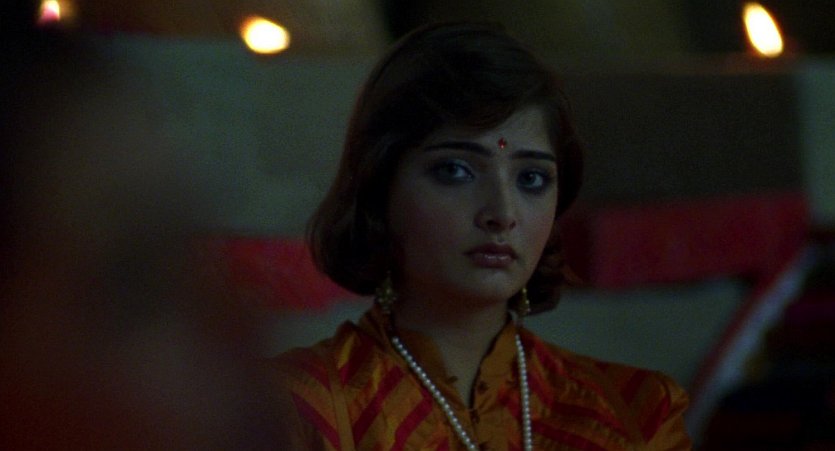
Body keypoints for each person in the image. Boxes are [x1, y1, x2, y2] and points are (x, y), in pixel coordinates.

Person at [267, 22, 692, 450]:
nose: (502, 214)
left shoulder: (636, 415)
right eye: (455, 171)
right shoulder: (298, 410)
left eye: (531, 178)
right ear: (381, 186)